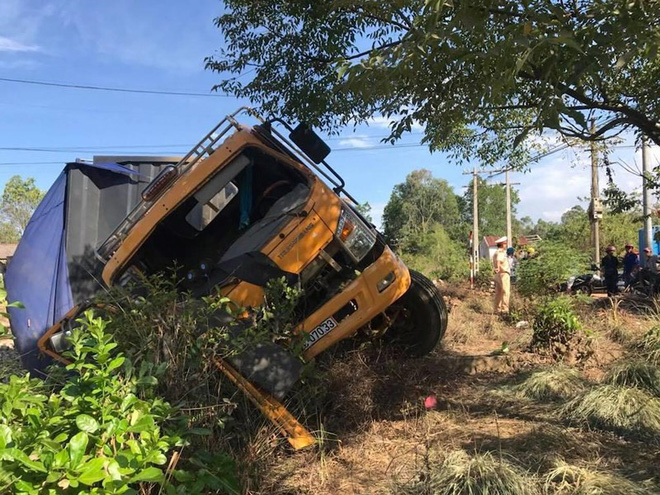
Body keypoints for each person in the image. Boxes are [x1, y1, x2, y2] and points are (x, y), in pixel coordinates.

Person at [492, 237, 510, 314]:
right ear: (502, 244)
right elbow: (499, 260)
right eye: (505, 243)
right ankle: (504, 309)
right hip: (503, 274)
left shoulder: (496, 252)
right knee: (506, 292)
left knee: (498, 292)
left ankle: (496, 309)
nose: (506, 245)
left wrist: (496, 269)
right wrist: (498, 267)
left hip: (498, 274)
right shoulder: (501, 252)